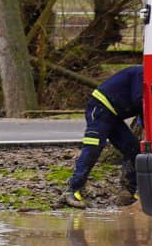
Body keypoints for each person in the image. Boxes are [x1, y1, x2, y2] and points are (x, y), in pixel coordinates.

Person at [57, 64, 144, 208]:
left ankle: (128, 193)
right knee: (93, 147)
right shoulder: (141, 73)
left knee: (133, 149)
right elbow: (139, 100)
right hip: (100, 109)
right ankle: (73, 190)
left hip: (114, 116)